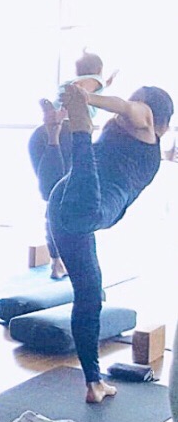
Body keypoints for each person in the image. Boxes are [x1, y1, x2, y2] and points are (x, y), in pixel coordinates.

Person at [46, 82, 171, 403]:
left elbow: (125, 107)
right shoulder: (145, 130)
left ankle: (94, 382)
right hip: (91, 203)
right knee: (86, 213)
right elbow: (129, 107)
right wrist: (86, 101)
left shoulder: (127, 125)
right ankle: (78, 131)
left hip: (65, 198)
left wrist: (86, 101)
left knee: (89, 293)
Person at [28, 50, 115, 279]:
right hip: (66, 134)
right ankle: (63, 263)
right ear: (97, 70)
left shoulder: (72, 82)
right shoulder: (92, 82)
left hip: (42, 135)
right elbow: (84, 89)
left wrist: (106, 83)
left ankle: (57, 262)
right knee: (64, 200)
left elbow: (84, 87)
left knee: (51, 199)